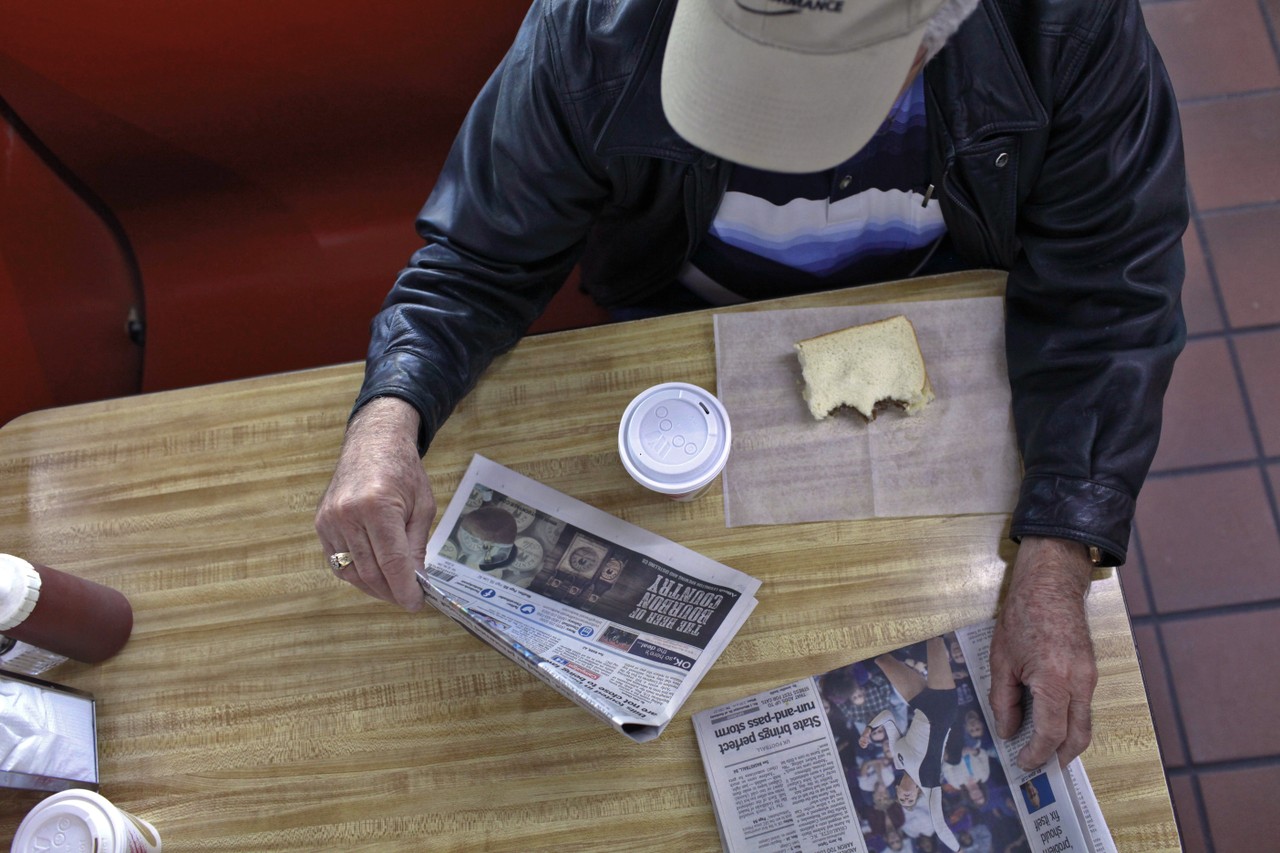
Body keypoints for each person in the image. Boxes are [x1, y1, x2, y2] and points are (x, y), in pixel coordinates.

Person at [315, 0, 1188, 777]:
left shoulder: (1067, 23)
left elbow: (1111, 290)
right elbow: (478, 258)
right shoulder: (595, 22)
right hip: (679, 324)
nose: (773, 129)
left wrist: (1059, 558)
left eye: (817, 88)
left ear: (942, 20)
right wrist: (388, 418)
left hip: (940, 322)